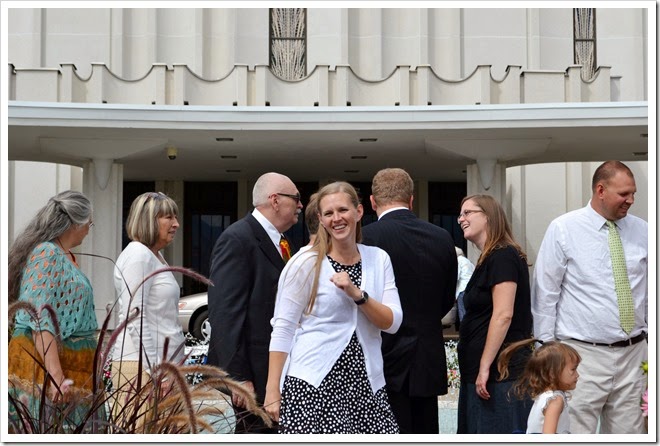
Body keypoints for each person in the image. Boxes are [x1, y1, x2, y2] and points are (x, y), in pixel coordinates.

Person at [264, 181, 403, 433]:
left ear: (359, 212)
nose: (336, 218)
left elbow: (392, 322)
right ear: (320, 219)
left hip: (366, 387)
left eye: (343, 210)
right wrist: (273, 389)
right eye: (328, 213)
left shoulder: (378, 258)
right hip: (311, 385)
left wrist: (358, 295)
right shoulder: (304, 262)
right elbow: (283, 327)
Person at [532, 160, 648, 434]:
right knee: (575, 433)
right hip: (580, 357)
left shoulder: (644, 230)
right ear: (600, 190)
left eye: (633, 193)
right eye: (624, 194)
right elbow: (545, 294)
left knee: (630, 436)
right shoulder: (564, 228)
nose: (631, 200)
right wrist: (548, 355)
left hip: (633, 355)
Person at [360, 168, 457, 434]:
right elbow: (446, 299)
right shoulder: (442, 237)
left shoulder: (366, 238)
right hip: (427, 354)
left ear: (372, 202)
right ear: (411, 200)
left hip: (382, 353)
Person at [207, 172, 302, 433]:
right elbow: (225, 313)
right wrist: (237, 378)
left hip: (277, 368)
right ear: (275, 200)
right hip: (252, 375)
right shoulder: (238, 239)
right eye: (296, 198)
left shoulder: (283, 241)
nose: (300, 205)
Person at [8, 190, 100, 432]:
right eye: (89, 223)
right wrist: (57, 377)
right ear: (76, 222)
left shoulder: (65, 256)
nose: (89, 229)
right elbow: (40, 320)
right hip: (45, 370)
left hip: (74, 367)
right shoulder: (46, 254)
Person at [456, 194, 533, 434]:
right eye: (460, 214)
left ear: (488, 216)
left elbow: (503, 315)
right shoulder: (489, 257)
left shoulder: (503, 255)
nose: (460, 219)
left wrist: (484, 366)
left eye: (468, 212)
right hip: (484, 375)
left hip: (501, 375)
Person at [112, 192, 184, 392]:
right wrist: (156, 371)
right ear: (148, 221)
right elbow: (135, 317)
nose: (176, 224)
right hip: (143, 369)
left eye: (175, 217)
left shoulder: (154, 256)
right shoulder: (139, 256)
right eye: (168, 217)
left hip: (161, 367)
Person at [498, 339, 581, 434]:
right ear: (552, 373)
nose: (577, 375)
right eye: (573, 369)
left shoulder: (543, 395)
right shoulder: (556, 400)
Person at [446, 246, 475, 329]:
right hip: (471, 289)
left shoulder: (458, 261)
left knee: (463, 313)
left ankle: (464, 331)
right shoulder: (467, 261)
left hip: (462, 290)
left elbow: (455, 276)